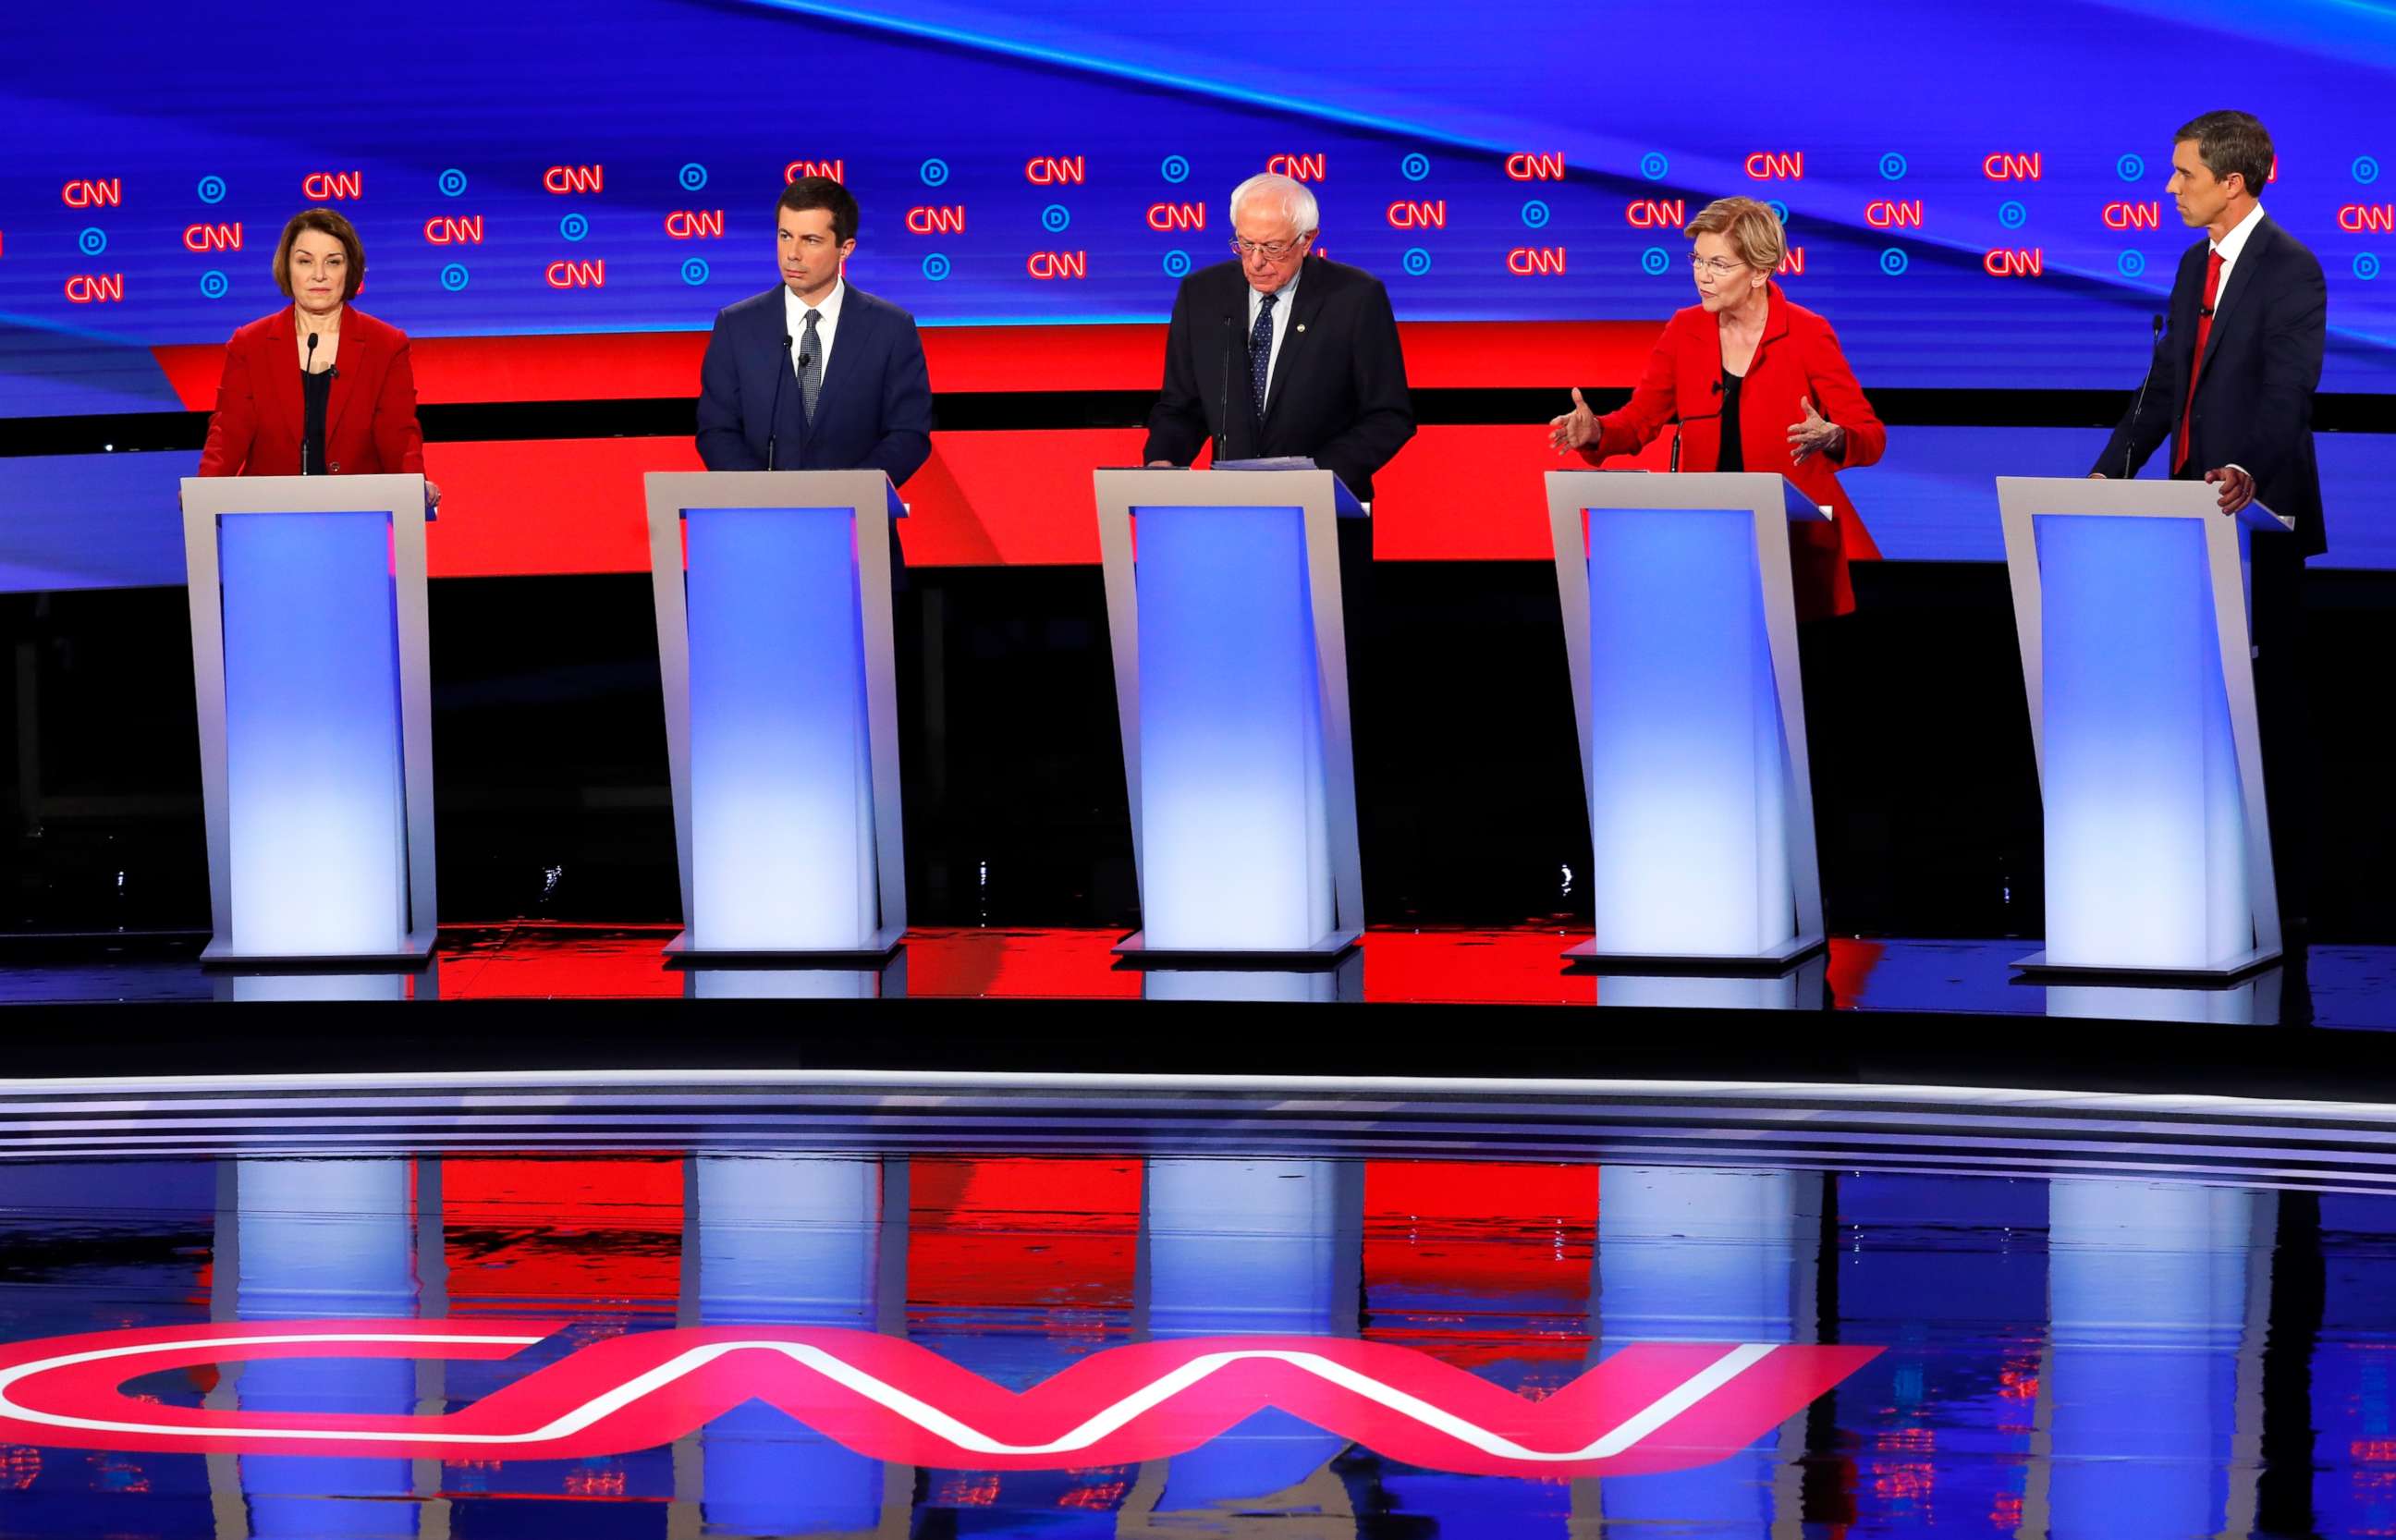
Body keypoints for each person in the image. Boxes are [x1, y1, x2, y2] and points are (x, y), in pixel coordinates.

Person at [2091, 109, 2327, 928]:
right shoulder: (2196, 263)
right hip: (2180, 515)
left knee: (2260, 708)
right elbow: (2165, 388)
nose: (2169, 188)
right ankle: (2186, 883)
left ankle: (2270, 904)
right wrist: (2108, 471)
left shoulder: (2292, 269)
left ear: (2232, 182)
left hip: (2251, 513)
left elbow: (2288, 394)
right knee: (2187, 699)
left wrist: (2242, 472)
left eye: (2184, 174)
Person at [1546, 195, 1883, 620]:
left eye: (1719, 265)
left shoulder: (1808, 333)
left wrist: (1835, 436)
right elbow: (1638, 422)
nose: (1702, 277)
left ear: (1760, 271)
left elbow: (1871, 435)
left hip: (1793, 548)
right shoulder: (1684, 331)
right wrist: (1596, 432)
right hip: (1708, 542)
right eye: (1698, 260)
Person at [1142, 173, 1415, 502]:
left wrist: (1317, 477)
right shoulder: (1201, 295)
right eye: (1245, 244)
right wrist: (1163, 461)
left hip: (1324, 508)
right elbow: (1180, 407)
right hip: (1231, 510)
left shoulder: (1355, 298)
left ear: (1307, 240)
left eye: (1272, 248)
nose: (1256, 262)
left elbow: (1388, 416)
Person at [696, 177, 932, 483]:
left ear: (845, 249)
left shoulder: (891, 328)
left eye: (810, 240)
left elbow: (908, 434)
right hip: (762, 523)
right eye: (784, 236)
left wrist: (848, 494)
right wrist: (764, 497)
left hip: (857, 522)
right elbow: (716, 431)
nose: (792, 253)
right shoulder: (736, 326)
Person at [197, 208, 433, 499]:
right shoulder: (250, 344)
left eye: (333, 262)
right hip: (269, 518)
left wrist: (412, 487)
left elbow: (399, 436)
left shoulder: (385, 344)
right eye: (305, 261)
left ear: (350, 270)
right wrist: (204, 492)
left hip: (359, 515)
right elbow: (228, 432)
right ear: (288, 267)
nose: (319, 275)